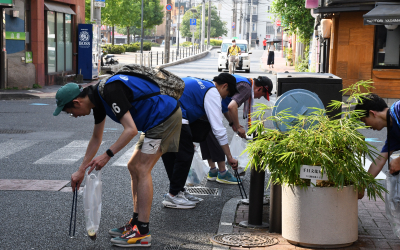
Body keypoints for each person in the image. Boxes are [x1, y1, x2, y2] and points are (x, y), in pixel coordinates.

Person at [53, 74, 182, 247]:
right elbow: (96, 138)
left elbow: (130, 130)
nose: (74, 116)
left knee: (142, 168)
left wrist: (107, 155)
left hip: (163, 118)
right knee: (133, 166)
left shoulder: (109, 91)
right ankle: (136, 223)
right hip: (153, 121)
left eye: (70, 113)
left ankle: (142, 232)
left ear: (77, 102)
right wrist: (81, 170)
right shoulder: (96, 99)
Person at [161, 73, 239, 208]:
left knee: (172, 154)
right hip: (174, 114)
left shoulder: (203, 84)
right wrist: (229, 157)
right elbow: (218, 129)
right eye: (227, 93)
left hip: (162, 111)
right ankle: (173, 195)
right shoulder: (213, 92)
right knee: (184, 154)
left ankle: (178, 191)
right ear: (224, 86)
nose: (225, 97)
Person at [200, 75, 273, 184]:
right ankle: (223, 173)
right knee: (218, 137)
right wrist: (238, 127)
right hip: (210, 106)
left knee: (207, 136)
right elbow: (231, 106)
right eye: (261, 95)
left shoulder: (242, 81)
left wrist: (232, 123)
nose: (258, 98)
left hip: (203, 104)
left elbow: (224, 106)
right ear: (259, 88)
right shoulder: (247, 88)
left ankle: (213, 171)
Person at [355, 94, 400, 199]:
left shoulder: (399, 108)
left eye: (364, 121)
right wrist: (362, 185)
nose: (366, 126)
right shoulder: (393, 132)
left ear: (372, 113)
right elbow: (380, 160)